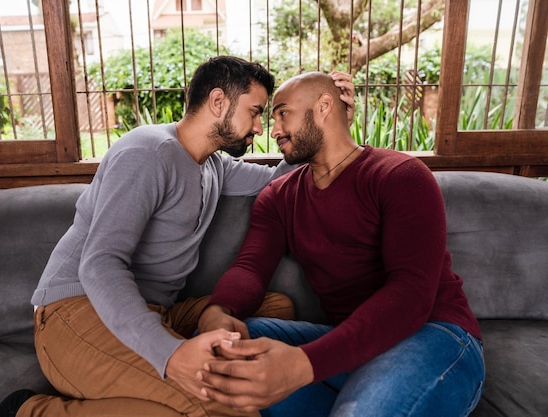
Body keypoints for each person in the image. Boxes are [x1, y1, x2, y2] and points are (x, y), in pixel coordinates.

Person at [0, 58, 355, 417]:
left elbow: (280, 181)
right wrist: (171, 354)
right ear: (217, 102)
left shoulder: (213, 164)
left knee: (277, 310)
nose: (260, 127)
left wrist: (330, 123)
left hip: (153, 310)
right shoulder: (147, 152)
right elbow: (99, 265)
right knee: (221, 404)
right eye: (256, 111)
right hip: (76, 313)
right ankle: (30, 411)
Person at [197, 71, 485, 417]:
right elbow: (250, 268)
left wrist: (304, 364)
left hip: (433, 334)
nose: (272, 131)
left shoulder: (401, 176)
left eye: (283, 113)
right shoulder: (278, 197)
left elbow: (411, 296)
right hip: (349, 343)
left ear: (323, 107)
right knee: (239, 342)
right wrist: (218, 311)